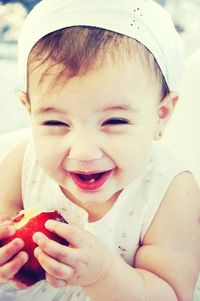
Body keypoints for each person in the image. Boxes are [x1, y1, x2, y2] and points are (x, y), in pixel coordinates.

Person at [0, 0, 199, 300]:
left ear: (161, 114)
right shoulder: (23, 164)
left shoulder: (171, 192)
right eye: (55, 122)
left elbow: (171, 293)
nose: (83, 152)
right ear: (29, 111)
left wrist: (102, 274)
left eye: (114, 121)